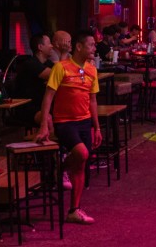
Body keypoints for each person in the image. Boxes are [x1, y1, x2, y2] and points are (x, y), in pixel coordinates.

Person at [36, 29, 103, 225]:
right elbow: (48, 97)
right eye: (91, 45)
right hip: (65, 122)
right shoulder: (61, 67)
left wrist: (97, 127)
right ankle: (62, 167)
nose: (94, 48)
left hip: (85, 121)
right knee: (82, 153)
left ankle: (74, 210)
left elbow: (93, 101)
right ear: (79, 47)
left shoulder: (92, 70)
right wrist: (44, 126)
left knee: (82, 163)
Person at [16, 33, 54, 128]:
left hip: (44, 104)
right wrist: (64, 53)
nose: (52, 46)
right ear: (40, 47)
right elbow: (58, 75)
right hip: (28, 107)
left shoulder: (48, 63)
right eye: (49, 43)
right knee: (48, 119)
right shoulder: (30, 64)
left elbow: (60, 75)